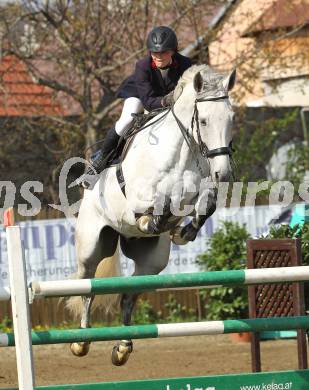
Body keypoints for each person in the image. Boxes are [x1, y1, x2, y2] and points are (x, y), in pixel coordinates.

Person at [81, 26, 192, 189]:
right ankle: (101, 159)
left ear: (173, 51)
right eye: (155, 53)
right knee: (127, 119)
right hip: (140, 94)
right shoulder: (142, 66)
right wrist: (167, 101)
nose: (159, 57)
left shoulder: (187, 64)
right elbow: (147, 101)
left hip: (170, 97)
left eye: (163, 52)